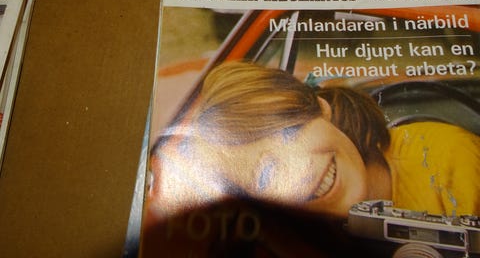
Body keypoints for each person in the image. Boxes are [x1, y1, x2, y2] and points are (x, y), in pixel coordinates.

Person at [147, 60, 480, 221]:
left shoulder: (450, 161)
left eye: (290, 134)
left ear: (321, 108)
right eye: (265, 176)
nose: (302, 171)